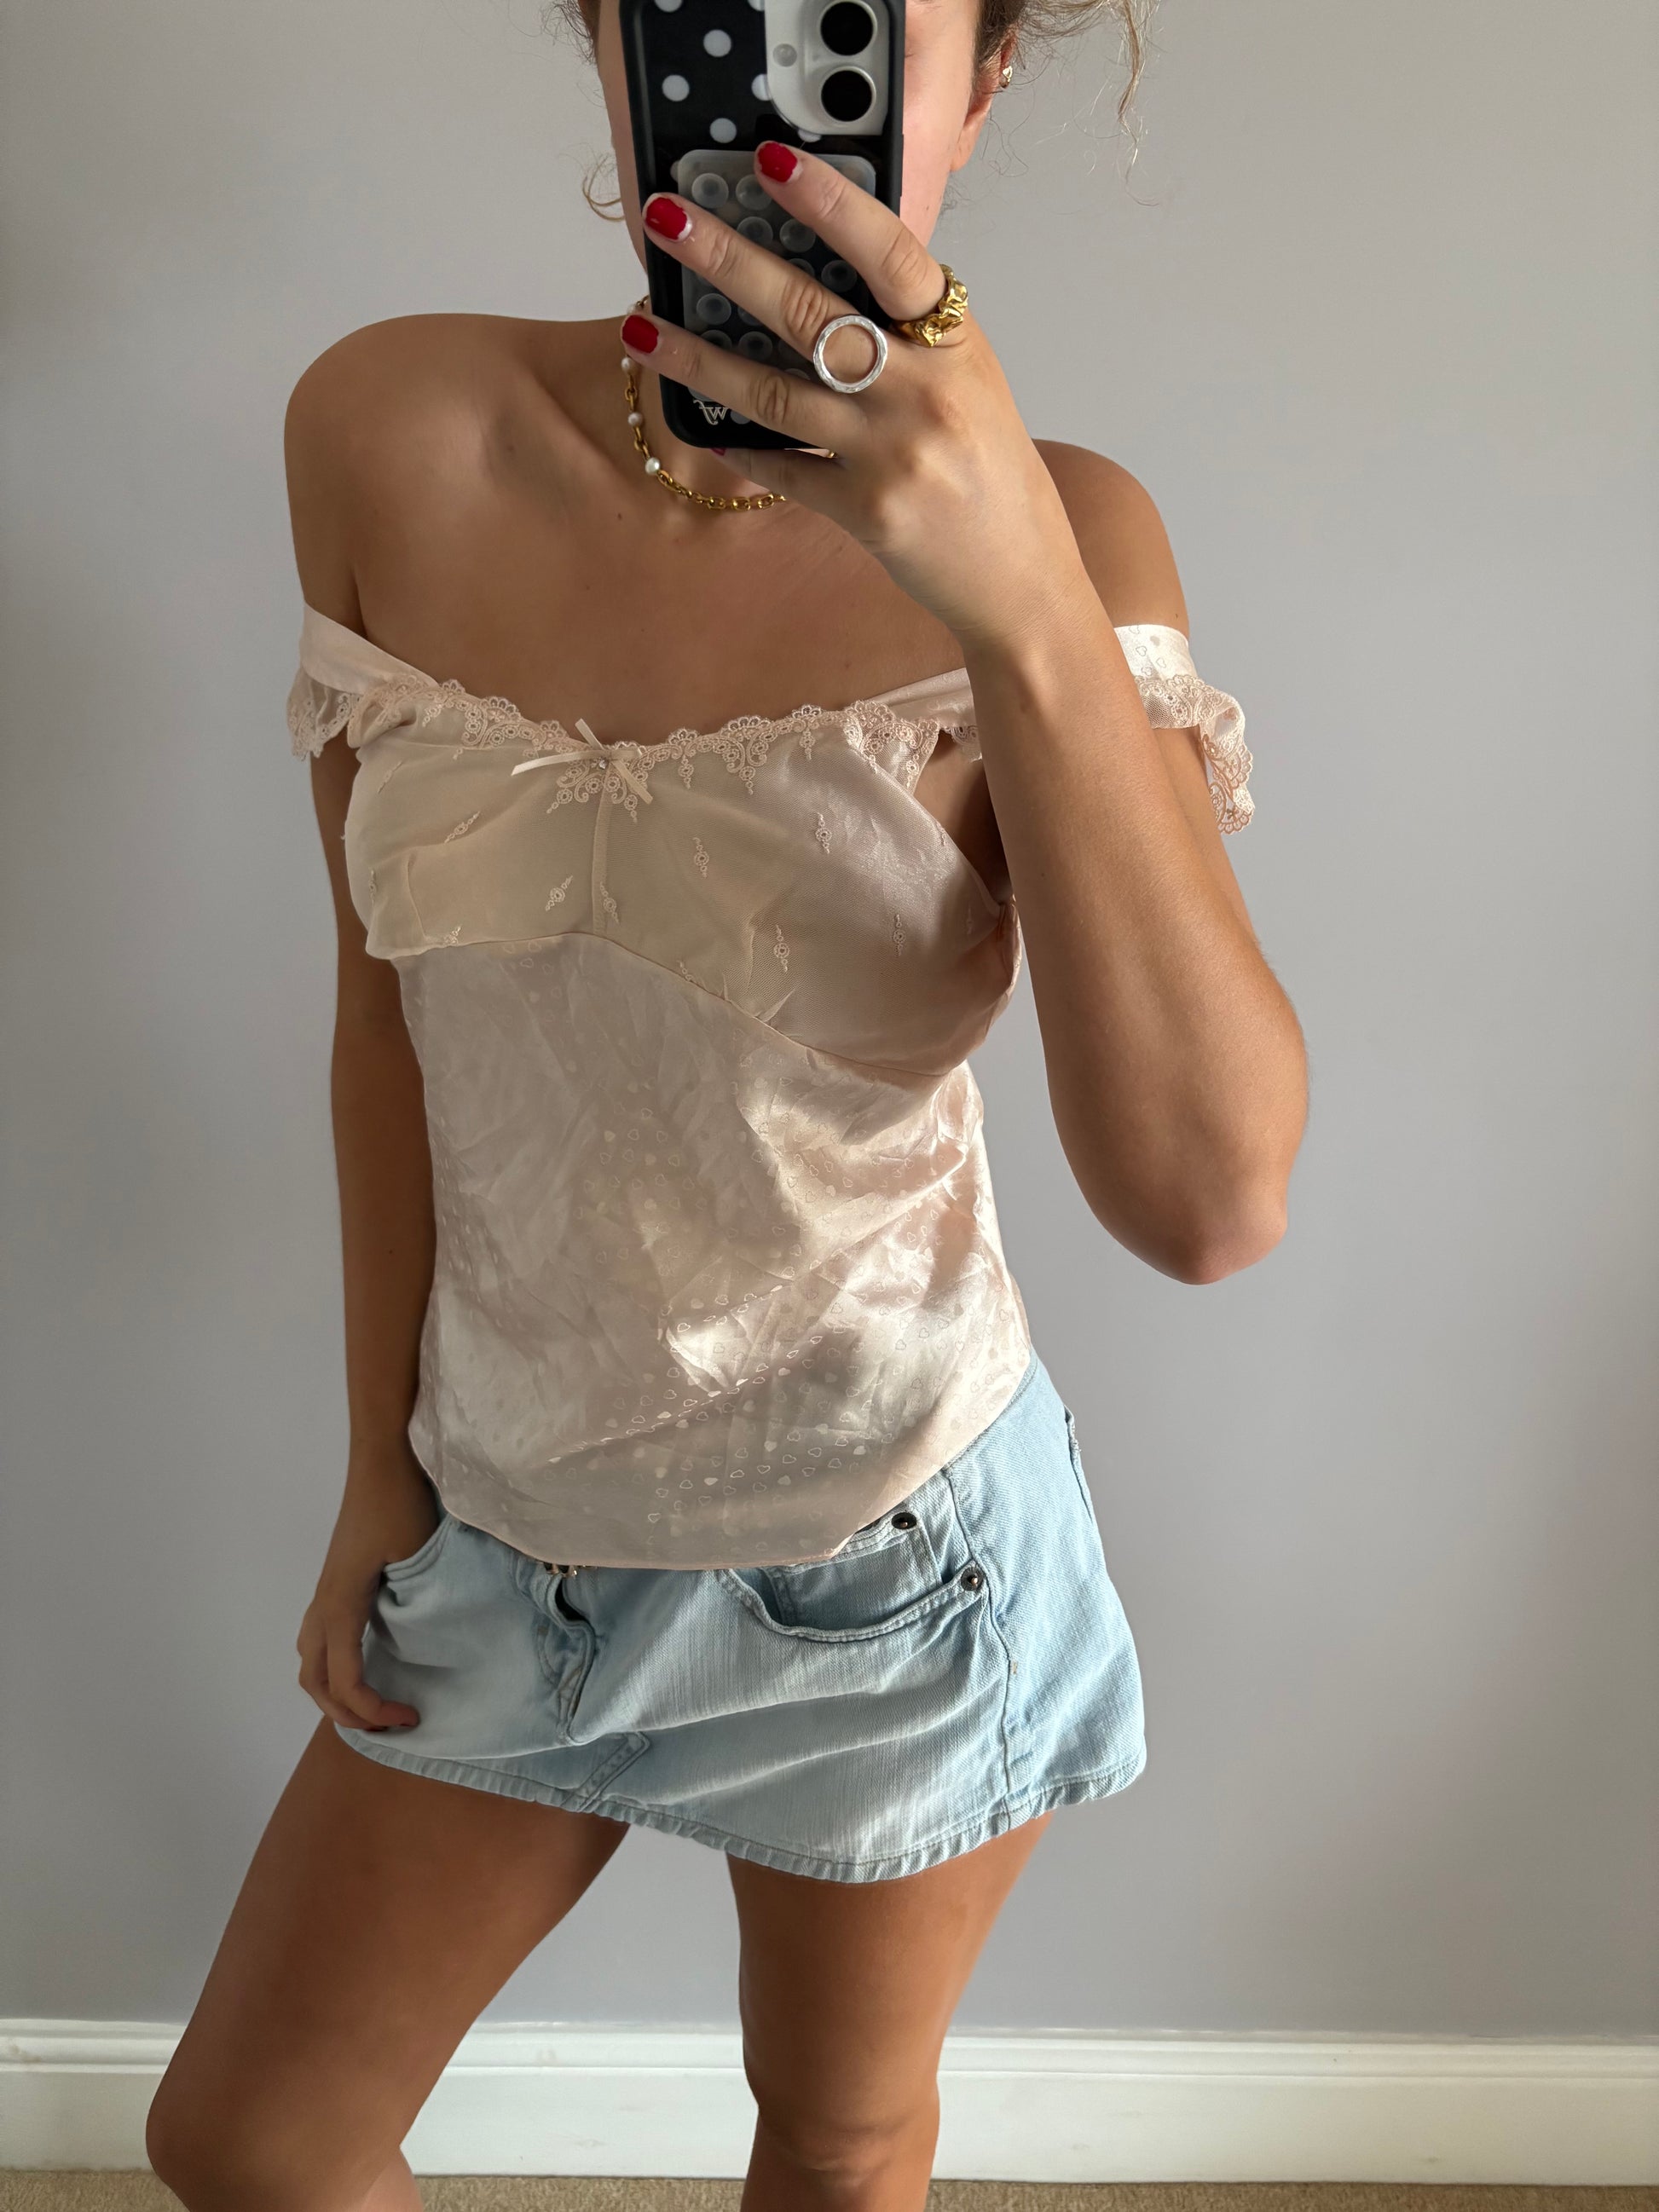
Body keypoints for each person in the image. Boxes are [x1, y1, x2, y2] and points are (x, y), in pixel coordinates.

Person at [147, 0, 1306, 2202]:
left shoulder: (1071, 534)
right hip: (506, 1518)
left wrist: (1017, 599)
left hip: (888, 1549)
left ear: (976, 84)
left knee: (835, 2153)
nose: (769, 75)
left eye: (855, 22)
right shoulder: (388, 427)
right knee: (252, 2145)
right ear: (607, 40)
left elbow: (1210, 1196)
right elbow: (384, 1017)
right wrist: (378, 1466)